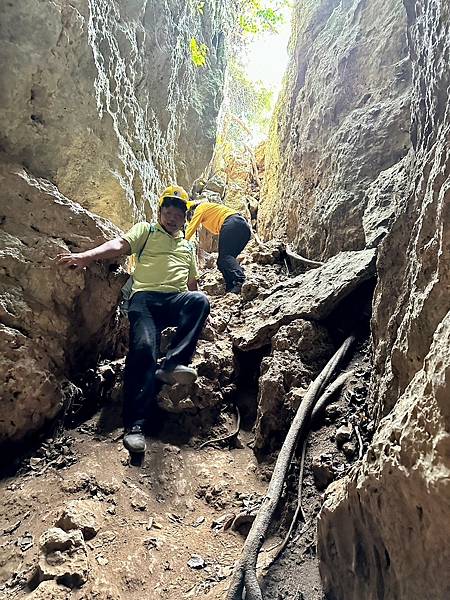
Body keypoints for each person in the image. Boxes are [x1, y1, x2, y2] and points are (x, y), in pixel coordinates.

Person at [57, 185, 210, 454]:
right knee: (142, 350)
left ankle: (173, 363)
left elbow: (192, 284)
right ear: (160, 212)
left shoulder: (187, 247)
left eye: (178, 213)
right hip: (145, 301)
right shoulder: (147, 231)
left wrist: (201, 318)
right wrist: (86, 257)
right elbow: (119, 245)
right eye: (168, 211)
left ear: (184, 218)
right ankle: (135, 426)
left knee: (200, 300)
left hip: (174, 300)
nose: (172, 217)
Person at [185, 201, 251, 294]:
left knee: (224, 258)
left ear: (192, 212)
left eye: (192, 218)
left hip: (232, 223)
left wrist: (183, 242)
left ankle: (239, 280)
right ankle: (231, 286)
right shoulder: (211, 211)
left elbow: (191, 227)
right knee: (223, 261)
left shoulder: (201, 207)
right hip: (243, 227)